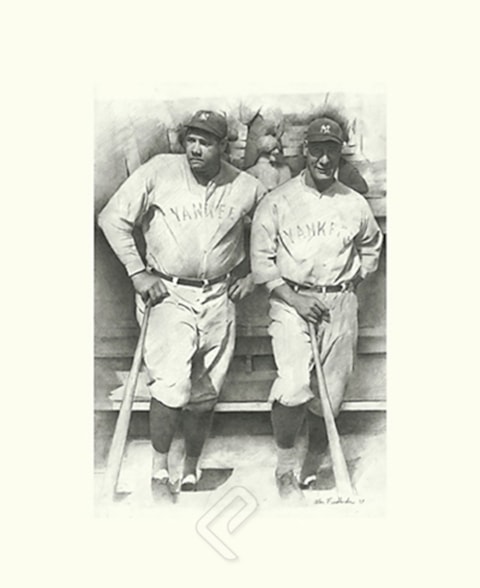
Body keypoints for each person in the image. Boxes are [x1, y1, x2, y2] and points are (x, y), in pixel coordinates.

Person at [98, 110, 266, 499]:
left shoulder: (246, 185)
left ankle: (191, 468)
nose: (195, 149)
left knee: (205, 392)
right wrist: (138, 273)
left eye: (205, 142)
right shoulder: (160, 171)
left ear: (223, 146)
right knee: (171, 385)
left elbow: (275, 225)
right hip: (168, 293)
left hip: (219, 295)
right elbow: (112, 218)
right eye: (191, 140)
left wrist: (256, 274)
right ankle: (159, 472)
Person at [251, 111, 383, 500]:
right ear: (305, 150)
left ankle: (312, 465)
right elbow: (262, 261)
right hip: (292, 302)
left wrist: (350, 284)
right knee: (294, 384)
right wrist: (295, 298)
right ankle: (284, 469)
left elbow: (371, 246)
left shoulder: (354, 202)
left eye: (332, 151)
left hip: (339, 302)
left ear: (340, 153)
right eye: (317, 150)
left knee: (332, 396)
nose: (324, 159)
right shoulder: (278, 200)